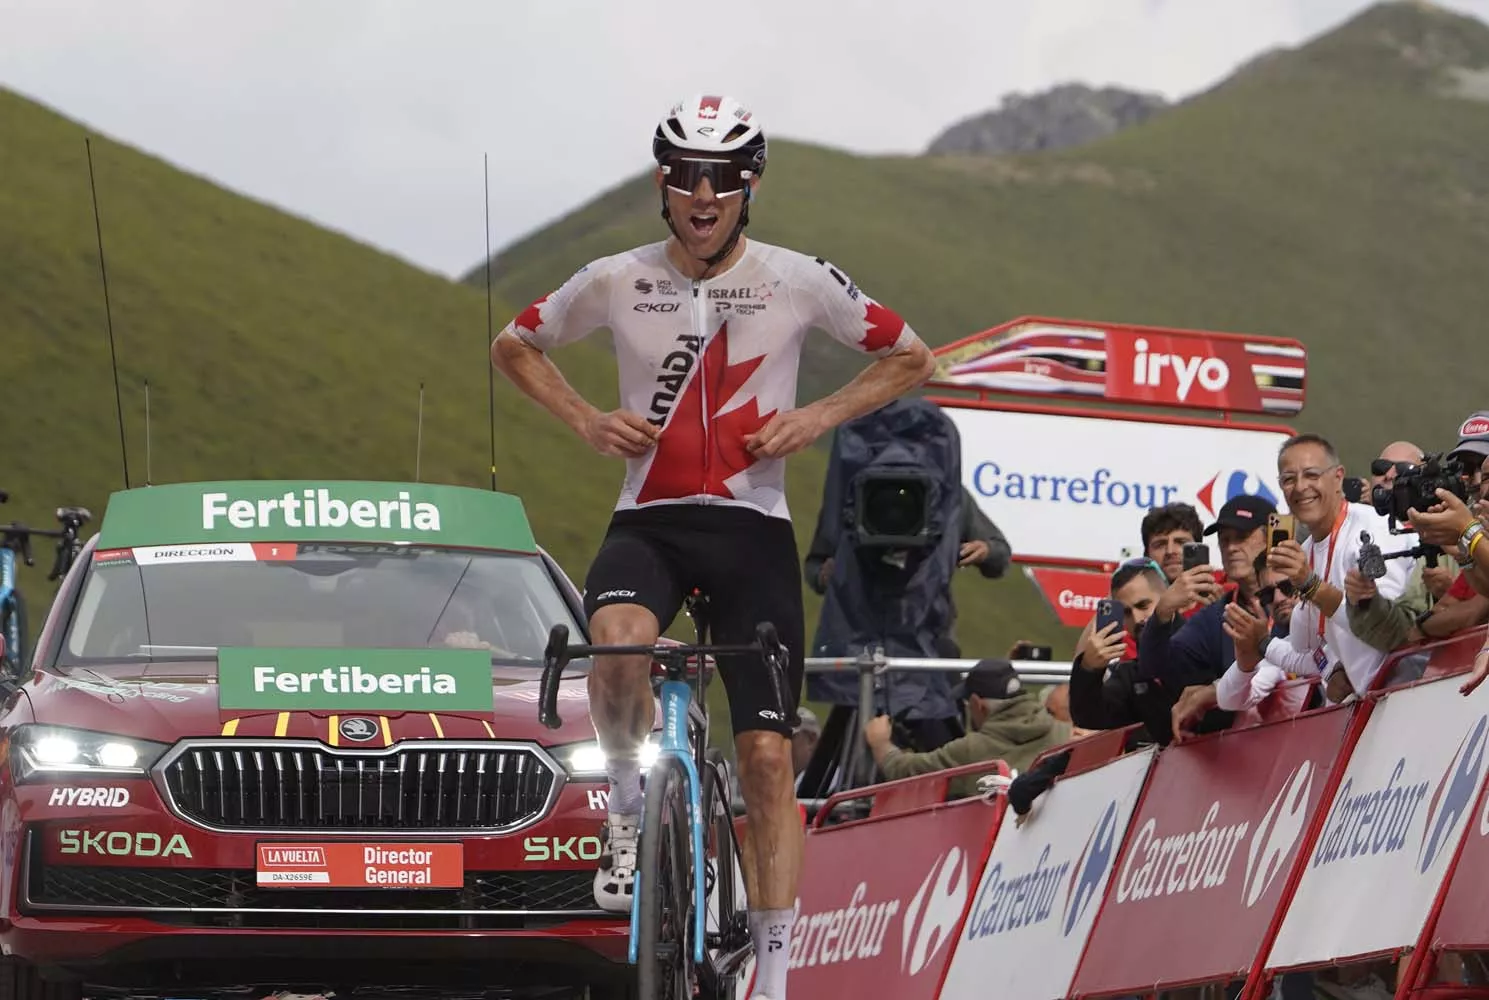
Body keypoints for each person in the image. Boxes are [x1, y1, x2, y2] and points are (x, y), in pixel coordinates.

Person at [489, 93, 934, 1000]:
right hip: (648, 520)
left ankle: (772, 974)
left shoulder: (797, 277)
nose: (703, 193)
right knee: (614, 651)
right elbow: (515, 344)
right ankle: (623, 802)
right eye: (686, 176)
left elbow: (910, 357)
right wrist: (582, 418)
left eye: (722, 178)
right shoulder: (617, 277)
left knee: (769, 758)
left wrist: (814, 414)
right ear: (663, 182)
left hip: (750, 530)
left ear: (749, 185)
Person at [862, 659, 1072, 799]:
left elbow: (905, 773)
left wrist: (881, 744)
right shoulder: (1067, 734)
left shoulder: (971, 750)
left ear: (977, 704)